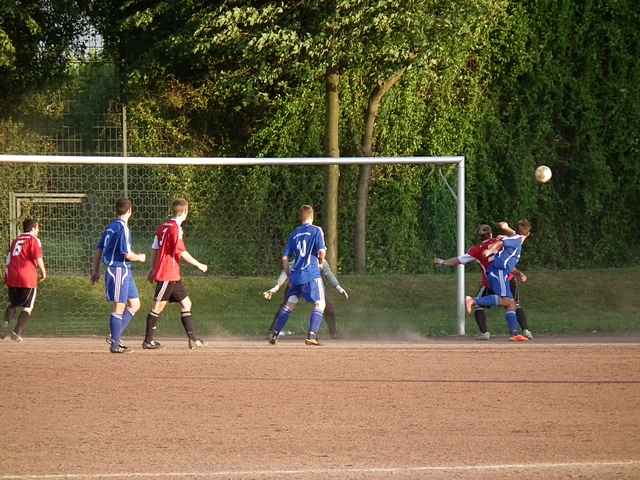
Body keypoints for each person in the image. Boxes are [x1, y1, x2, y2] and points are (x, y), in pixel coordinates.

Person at [434, 224, 532, 340]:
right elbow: (512, 241)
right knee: (513, 303)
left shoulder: (476, 249)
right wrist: (518, 273)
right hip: (504, 275)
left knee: (504, 303)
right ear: (491, 234)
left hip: (491, 278)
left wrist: (443, 262)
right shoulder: (498, 240)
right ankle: (523, 330)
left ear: (479, 237)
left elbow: (459, 260)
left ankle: (493, 332)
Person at [143, 198, 208, 350]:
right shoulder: (175, 229)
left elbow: (154, 248)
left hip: (173, 275)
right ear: (185, 211)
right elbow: (181, 251)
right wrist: (199, 264)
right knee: (158, 307)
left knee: (187, 304)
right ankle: (148, 341)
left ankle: (192, 339)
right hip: (167, 274)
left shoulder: (163, 226)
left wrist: (153, 268)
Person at [91, 198, 146, 353]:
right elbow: (127, 254)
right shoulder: (122, 228)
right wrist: (140, 257)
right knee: (119, 307)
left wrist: (95, 270)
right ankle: (115, 344)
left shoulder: (110, 227)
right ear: (130, 210)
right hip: (118, 270)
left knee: (135, 304)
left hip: (125, 270)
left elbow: (99, 250)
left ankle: (114, 336)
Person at [465, 220, 532, 342]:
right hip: (499, 270)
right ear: (529, 234)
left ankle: (515, 333)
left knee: (510, 303)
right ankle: (473, 300)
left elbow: (509, 237)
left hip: (502, 272)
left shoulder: (518, 238)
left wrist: (505, 227)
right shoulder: (516, 239)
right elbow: (501, 242)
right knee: (507, 301)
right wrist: (490, 251)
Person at [269, 204, 327, 346]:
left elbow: (284, 258)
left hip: (296, 276)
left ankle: (275, 334)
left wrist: (289, 274)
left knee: (290, 304)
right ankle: (311, 335)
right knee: (320, 303)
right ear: (312, 216)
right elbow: (321, 252)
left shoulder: (294, 232)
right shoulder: (316, 230)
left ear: (301, 217)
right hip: (311, 274)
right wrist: (320, 263)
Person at [263, 261, 348, 338]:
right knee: (286, 306)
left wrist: (338, 287)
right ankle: (273, 331)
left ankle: (333, 333)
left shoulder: (321, 260)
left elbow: (328, 273)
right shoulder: (300, 258)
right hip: (297, 285)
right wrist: (277, 286)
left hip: (314, 286)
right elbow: (286, 271)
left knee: (328, 308)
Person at [2, 218, 47, 342]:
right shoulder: (34, 240)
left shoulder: (15, 240)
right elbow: (38, 258)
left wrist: (6, 275)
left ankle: (4, 327)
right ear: (33, 228)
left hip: (12, 275)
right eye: (37, 228)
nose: (38, 230)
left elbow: (8, 259)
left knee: (13, 303)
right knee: (28, 307)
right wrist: (43, 272)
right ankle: (16, 332)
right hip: (27, 276)